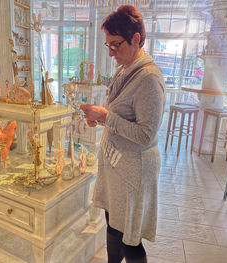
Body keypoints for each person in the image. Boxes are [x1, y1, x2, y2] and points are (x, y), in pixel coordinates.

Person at [80, 5, 165, 263]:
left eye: (116, 44)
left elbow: (146, 135)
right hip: (118, 166)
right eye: (108, 45)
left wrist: (106, 117)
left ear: (136, 39)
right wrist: (101, 117)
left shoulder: (149, 78)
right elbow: (121, 114)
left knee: (130, 239)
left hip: (133, 172)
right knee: (114, 226)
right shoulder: (124, 69)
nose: (112, 52)